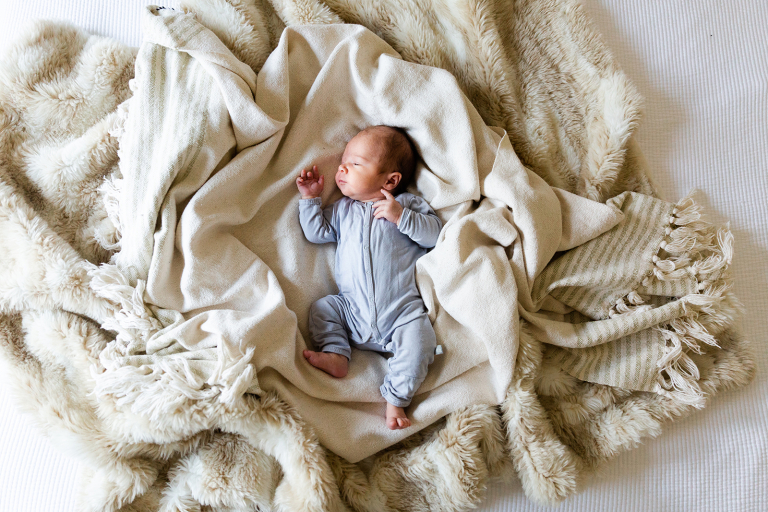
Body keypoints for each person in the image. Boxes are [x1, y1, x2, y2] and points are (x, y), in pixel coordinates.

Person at [296, 125, 442, 430]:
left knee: (421, 341)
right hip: (351, 310)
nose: (342, 168)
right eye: (343, 162)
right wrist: (310, 199)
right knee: (323, 309)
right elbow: (316, 233)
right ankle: (337, 352)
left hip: (400, 312)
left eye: (356, 163)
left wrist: (401, 216)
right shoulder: (341, 210)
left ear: (390, 180)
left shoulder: (407, 206)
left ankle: (396, 399)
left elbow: (434, 236)